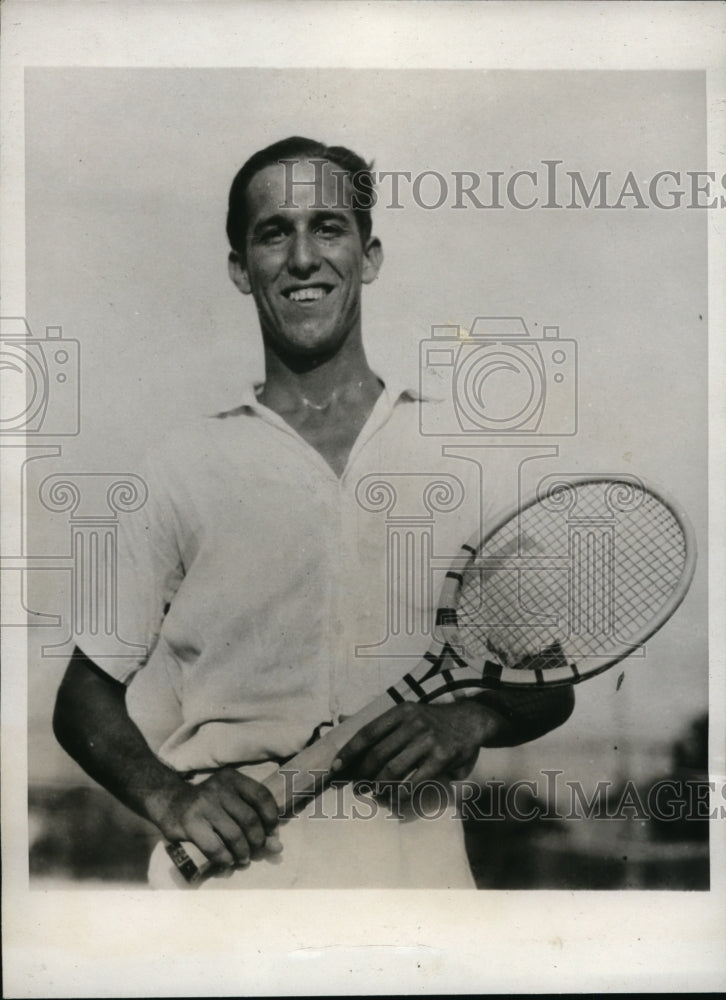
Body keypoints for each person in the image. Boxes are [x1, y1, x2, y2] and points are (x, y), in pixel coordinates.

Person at [53, 136, 575, 889]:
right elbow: (84, 695)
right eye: (274, 233)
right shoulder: (181, 465)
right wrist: (171, 799)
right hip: (236, 879)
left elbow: (548, 679)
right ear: (242, 268)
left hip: (417, 873)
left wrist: (469, 719)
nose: (303, 258)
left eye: (328, 227)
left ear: (369, 255)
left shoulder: (459, 455)